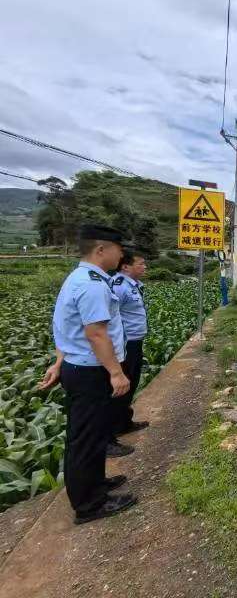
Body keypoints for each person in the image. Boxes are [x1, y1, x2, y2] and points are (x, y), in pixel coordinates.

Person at [40, 225, 138, 524]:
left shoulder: (80, 278)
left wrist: (59, 363)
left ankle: (96, 484)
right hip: (90, 370)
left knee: (93, 435)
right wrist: (116, 373)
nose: (121, 254)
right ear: (101, 250)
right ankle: (89, 504)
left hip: (79, 365)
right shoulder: (92, 284)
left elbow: (66, 326)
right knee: (85, 438)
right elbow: (95, 334)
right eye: (118, 249)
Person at [111, 250, 150, 442]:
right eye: (141, 263)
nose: (144, 267)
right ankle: (115, 429)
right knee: (122, 386)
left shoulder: (132, 286)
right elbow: (111, 318)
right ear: (125, 266)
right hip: (125, 344)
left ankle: (125, 422)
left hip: (134, 342)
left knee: (131, 383)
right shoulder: (118, 287)